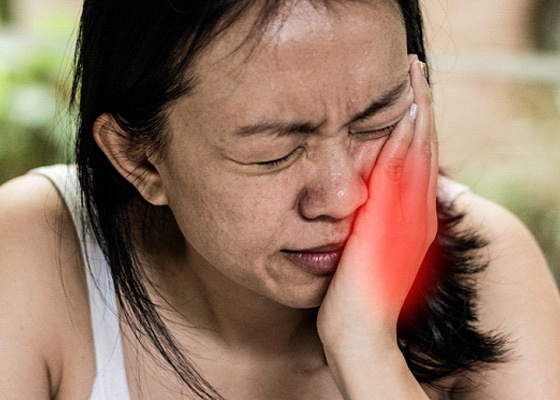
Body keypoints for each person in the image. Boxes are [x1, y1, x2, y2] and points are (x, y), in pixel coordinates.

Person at [1, 0, 559, 398]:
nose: (342, 197)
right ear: (140, 159)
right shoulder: (32, 256)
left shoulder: (492, 265)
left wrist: (366, 349)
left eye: (378, 123)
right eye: (275, 153)